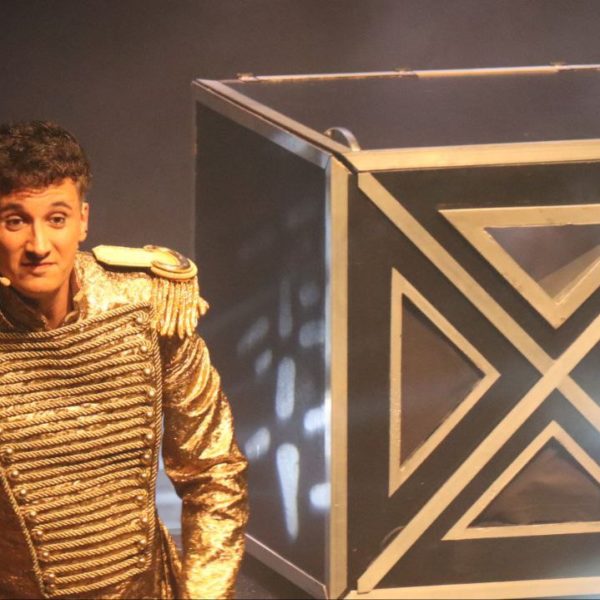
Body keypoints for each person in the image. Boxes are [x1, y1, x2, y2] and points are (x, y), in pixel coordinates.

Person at [0, 120, 248, 599]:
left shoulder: (148, 307)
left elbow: (213, 472)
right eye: (15, 221)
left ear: (83, 220)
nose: (39, 246)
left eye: (56, 218)